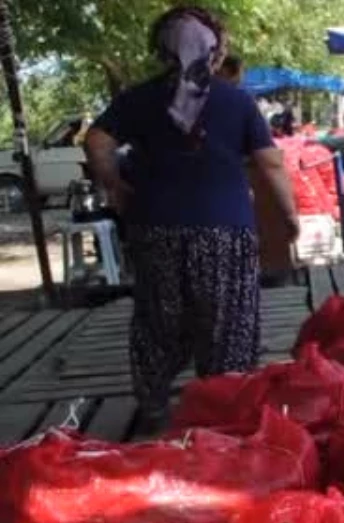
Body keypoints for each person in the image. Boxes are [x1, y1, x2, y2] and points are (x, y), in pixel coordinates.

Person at [83, 5, 299, 428]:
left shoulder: (138, 99)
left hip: (155, 227)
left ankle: (155, 408)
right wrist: (289, 218)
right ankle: (224, 414)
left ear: (163, 51)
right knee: (227, 324)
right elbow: (270, 165)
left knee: (158, 319)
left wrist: (115, 187)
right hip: (224, 231)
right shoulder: (236, 101)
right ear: (213, 52)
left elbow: (95, 143)